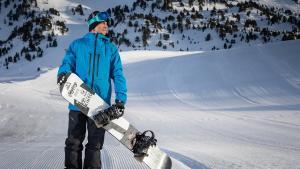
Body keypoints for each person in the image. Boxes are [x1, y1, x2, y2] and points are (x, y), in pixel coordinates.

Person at [57, 11, 127, 169]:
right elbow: (67, 64)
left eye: (107, 24)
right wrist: (62, 74)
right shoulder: (77, 45)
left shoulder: (110, 48)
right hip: (77, 101)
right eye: (103, 23)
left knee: (95, 144)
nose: (106, 26)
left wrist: (121, 100)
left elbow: (118, 74)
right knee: (73, 142)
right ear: (94, 24)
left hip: (100, 106)